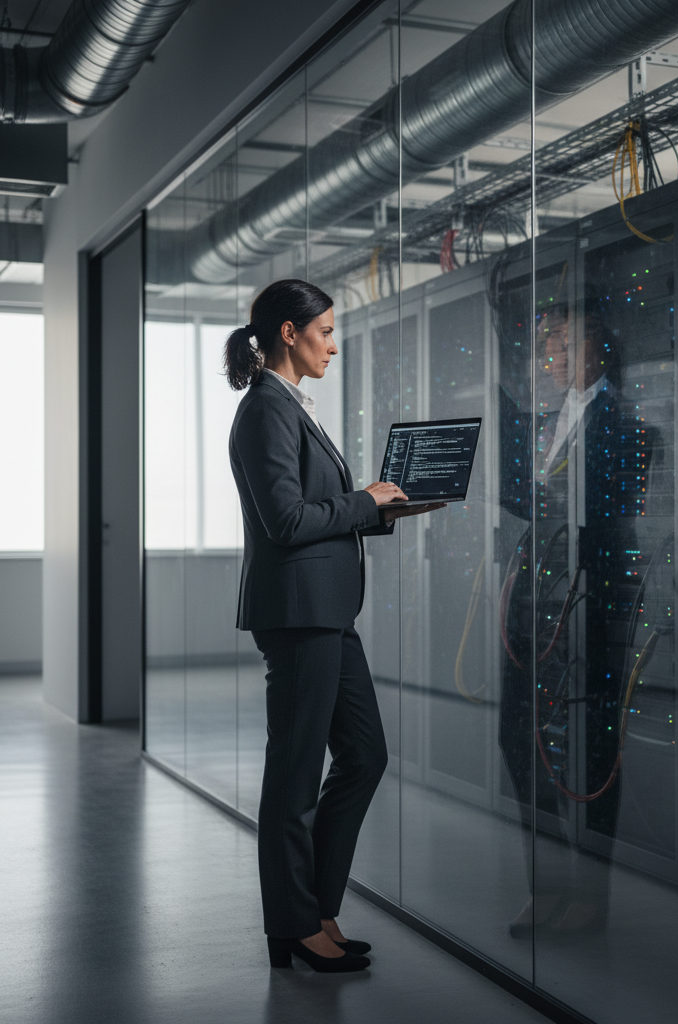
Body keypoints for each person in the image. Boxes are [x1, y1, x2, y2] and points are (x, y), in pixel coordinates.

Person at [224, 279, 439, 973]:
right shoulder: (266, 411)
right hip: (297, 617)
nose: (333, 344)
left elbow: (315, 514)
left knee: (365, 756)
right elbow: (284, 522)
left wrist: (380, 509)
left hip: (325, 614)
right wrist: (362, 501)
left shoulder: (289, 408)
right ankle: (294, 925)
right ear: (289, 333)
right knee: (294, 775)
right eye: (324, 332)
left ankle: (314, 908)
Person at [498, 304, 650, 936]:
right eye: (546, 340)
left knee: (591, 749)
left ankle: (590, 897)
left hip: (593, 599)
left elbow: (608, 511)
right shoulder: (542, 423)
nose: (550, 351)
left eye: (561, 338)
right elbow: (532, 500)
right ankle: (550, 885)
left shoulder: (625, 425)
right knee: (518, 737)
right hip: (537, 597)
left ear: (596, 348)